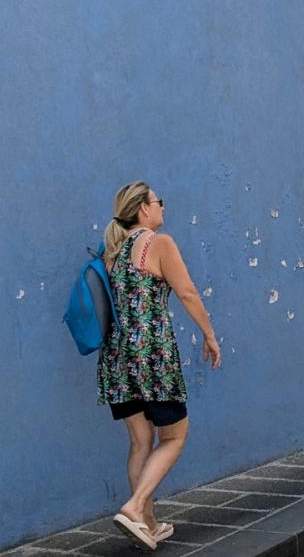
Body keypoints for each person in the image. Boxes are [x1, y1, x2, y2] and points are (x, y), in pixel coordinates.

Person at [98, 182, 222, 551]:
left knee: (140, 442)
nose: (163, 208)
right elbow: (187, 292)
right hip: (152, 356)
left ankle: (148, 523)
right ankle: (135, 507)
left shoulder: (112, 251)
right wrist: (209, 335)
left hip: (117, 357)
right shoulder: (159, 243)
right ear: (143, 208)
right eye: (158, 202)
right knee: (174, 436)